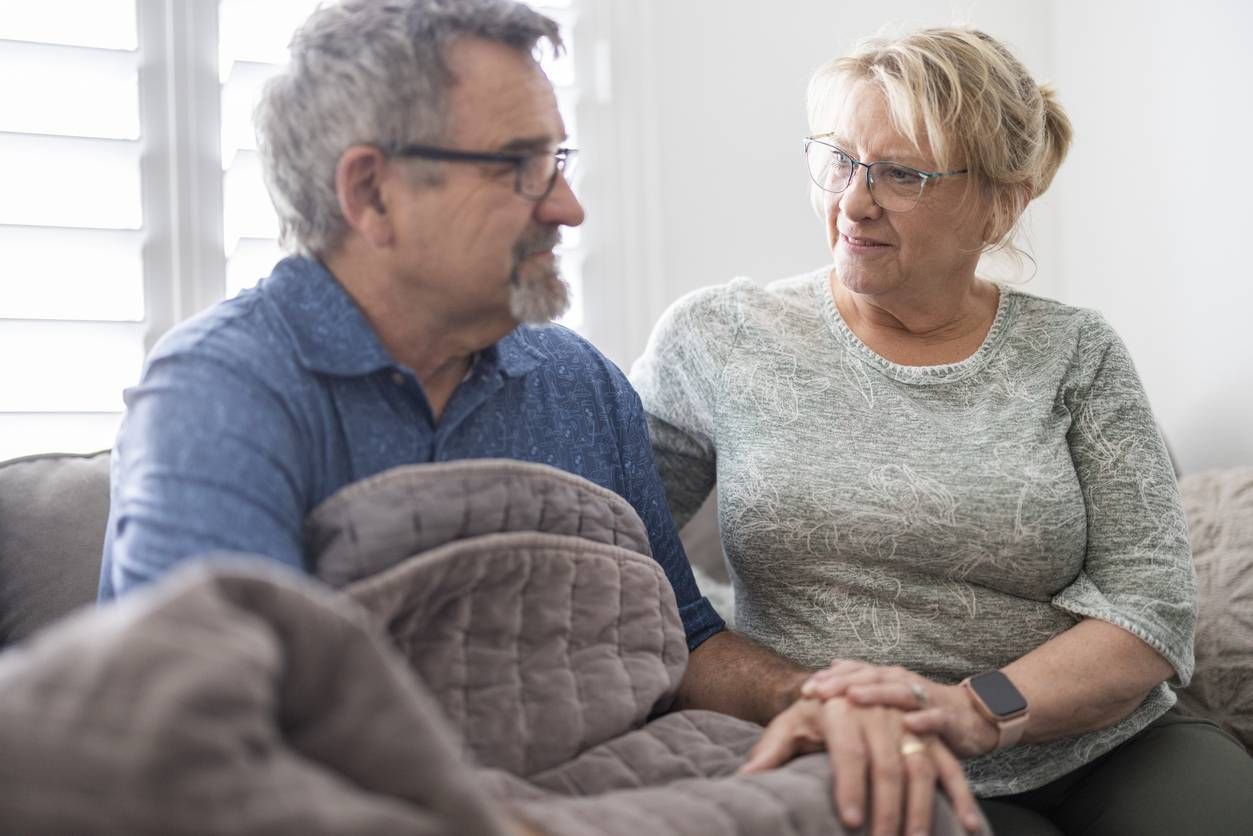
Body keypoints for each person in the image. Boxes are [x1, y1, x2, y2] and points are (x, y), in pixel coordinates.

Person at [98, 3, 981, 835]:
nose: (567, 207)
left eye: (558, 161)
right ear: (371, 192)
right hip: (377, 804)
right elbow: (205, 730)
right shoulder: (221, 392)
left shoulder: (576, 382)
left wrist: (812, 699)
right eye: (519, 167)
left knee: (896, 794)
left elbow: (683, 643)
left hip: (609, 779)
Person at [631, 25, 1253, 836]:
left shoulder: (1075, 352)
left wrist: (973, 709)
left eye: (901, 174)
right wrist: (764, 680)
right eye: (838, 159)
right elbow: (617, 559)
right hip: (858, 754)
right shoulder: (720, 337)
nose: (853, 201)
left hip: (1104, 744)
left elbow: (1149, 607)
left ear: (1001, 201)